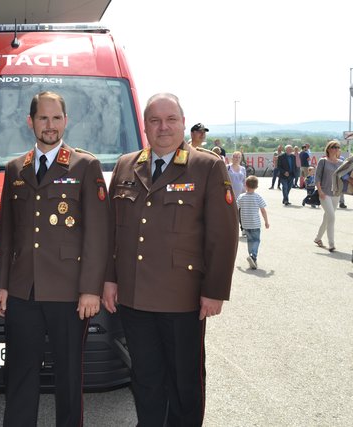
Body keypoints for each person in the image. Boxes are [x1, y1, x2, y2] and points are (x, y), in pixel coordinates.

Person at [102, 93, 238, 426]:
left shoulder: (207, 166)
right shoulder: (126, 164)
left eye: (171, 119)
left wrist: (215, 290)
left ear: (182, 122)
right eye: (155, 120)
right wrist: (109, 278)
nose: (163, 127)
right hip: (134, 298)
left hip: (183, 299)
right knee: (145, 379)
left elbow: (223, 235)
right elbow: (110, 232)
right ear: (145, 125)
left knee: (184, 382)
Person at [0, 91, 109, 427]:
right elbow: (7, 234)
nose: (50, 125)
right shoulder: (16, 168)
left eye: (57, 118)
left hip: (69, 293)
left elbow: (98, 234)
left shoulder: (85, 166)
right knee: (20, 374)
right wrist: (1, 285)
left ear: (66, 121)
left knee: (69, 377)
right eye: (43, 118)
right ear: (30, 122)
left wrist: (90, 289)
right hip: (23, 291)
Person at [313, 140, 344, 252]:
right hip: (324, 193)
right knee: (332, 217)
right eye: (334, 147)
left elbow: (343, 177)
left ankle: (317, 238)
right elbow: (317, 177)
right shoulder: (323, 161)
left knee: (327, 218)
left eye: (338, 147)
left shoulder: (341, 162)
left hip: (336, 193)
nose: (336, 149)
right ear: (329, 149)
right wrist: (320, 191)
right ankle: (331, 244)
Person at [236, 176, 269, 269]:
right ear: (256, 187)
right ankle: (253, 256)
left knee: (250, 240)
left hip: (245, 224)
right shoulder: (258, 197)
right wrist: (266, 222)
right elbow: (263, 211)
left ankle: (252, 258)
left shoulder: (241, 197)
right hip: (255, 223)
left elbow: (235, 209)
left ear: (245, 185)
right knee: (256, 240)